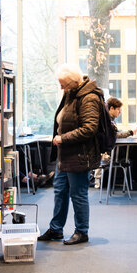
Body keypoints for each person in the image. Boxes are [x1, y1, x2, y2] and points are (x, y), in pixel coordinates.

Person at [37, 64, 103, 245]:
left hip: (79, 155)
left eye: (63, 84)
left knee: (78, 194)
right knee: (60, 191)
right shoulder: (70, 94)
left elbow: (89, 128)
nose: (61, 88)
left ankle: (82, 232)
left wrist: (63, 138)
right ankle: (56, 229)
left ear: (75, 81)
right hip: (64, 154)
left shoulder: (89, 97)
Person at [93, 97, 137, 189]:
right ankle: (135, 181)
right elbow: (114, 135)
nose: (120, 112)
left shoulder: (110, 120)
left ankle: (134, 181)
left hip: (112, 149)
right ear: (111, 108)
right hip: (110, 151)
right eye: (118, 109)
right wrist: (130, 132)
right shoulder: (107, 121)